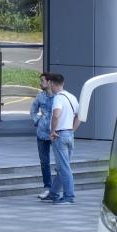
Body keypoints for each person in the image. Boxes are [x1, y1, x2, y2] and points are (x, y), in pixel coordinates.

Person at [45, 73, 80, 205]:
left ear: (52, 84)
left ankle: (69, 196)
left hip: (59, 135)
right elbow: (80, 117)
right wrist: (71, 130)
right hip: (69, 135)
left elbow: (56, 115)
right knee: (62, 166)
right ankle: (53, 193)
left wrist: (53, 131)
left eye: (49, 84)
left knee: (64, 168)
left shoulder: (58, 98)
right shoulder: (72, 97)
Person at [30, 72, 53, 200]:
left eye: (43, 80)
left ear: (49, 82)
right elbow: (33, 110)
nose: (40, 83)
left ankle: (59, 189)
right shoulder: (40, 96)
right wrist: (38, 121)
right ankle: (47, 188)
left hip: (56, 133)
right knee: (44, 162)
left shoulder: (58, 97)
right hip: (42, 133)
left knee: (61, 162)